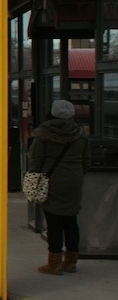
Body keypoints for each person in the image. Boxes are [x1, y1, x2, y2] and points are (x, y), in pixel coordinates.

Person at [28, 100, 91, 275]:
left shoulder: (43, 134)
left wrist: (34, 179)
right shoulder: (80, 134)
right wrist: (76, 173)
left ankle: (54, 264)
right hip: (74, 181)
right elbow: (87, 160)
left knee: (54, 223)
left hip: (52, 181)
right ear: (72, 114)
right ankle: (71, 263)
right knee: (71, 222)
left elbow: (36, 161)